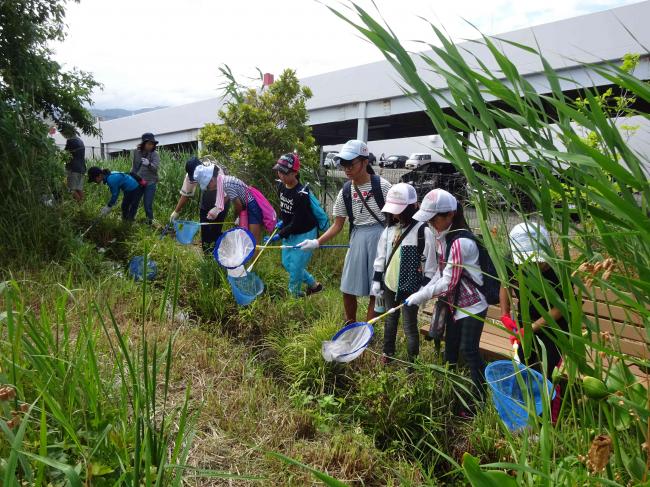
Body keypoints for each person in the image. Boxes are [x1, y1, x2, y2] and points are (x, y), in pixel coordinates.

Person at [405, 189, 488, 402]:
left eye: (435, 219)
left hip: (472, 306)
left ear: (451, 214)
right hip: (454, 305)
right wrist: (421, 292)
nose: (431, 224)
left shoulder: (461, 242)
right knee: (450, 350)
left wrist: (421, 297)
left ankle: (478, 399)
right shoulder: (442, 236)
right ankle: (450, 393)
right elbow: (441, 274)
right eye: (429, 219)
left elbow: (449, 283)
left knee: (468, 351)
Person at [298, 139, 391, 324]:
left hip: (381, 239)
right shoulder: (346, 191)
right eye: (343, 164)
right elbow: (337, 225)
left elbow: (398, 217)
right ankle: (350, 325)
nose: (346, 168)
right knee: (347, 287)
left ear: (365, 162)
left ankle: (366, 330)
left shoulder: (383, 186)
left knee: (376, 287)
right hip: (357, 238)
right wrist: (317, 242)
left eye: (351, 163)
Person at [372, 183, 436, 363]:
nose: (395, 214)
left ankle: (411, 363)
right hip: (389, 284)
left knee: (409, 326)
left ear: (411, 207)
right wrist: (377, 280)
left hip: (411, 290)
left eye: (399, 210)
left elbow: (430, 266)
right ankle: (388, 353)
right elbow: (381, 257)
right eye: (392, 210)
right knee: (390, 320)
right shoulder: (389, 230)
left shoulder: (423, 232)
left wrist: (422, 291)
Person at [500, 222, 566, 378]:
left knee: (548, 371)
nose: (532, 263)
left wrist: (531, 329)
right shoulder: (510, 260)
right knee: (522, 363)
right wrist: (505, 315)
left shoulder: (555, 269)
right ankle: (524, 399)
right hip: (527, 319)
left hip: (554, 328)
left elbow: (561, 307)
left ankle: (549, 399)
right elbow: (504, 284)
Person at [268, 153, 323, 297]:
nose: (281, 175)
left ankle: (294, 296)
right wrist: (282, 222)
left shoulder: (301, 194)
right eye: (279, 171)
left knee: (296, 266)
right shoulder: (281, 186)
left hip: (305, 232)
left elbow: (298, 223)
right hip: (290, 229)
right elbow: (285, 209)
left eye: (285, 173)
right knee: (287, 263)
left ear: (295, 173)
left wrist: (280, 235)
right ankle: (314, 285)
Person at [170, 157, 230, 254]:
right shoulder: (190, 175)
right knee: (205, 232)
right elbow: (186, 194)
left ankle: (218, 254)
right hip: (206, 198)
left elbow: (227, 193)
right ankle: (207, 256)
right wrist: (176, 211)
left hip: (222, 198)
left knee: (215, 231)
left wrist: (217, 209)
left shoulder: (216, 171)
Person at [131, 132, 160, 224]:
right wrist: (132, 177)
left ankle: (150, 222)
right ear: (144, 143)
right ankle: (130, 220)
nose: (151, 146)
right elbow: (134, 167)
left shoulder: (155, 154)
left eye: (153, 144)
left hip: (150, 182)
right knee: (134, 202)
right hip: (139, 181)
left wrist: (149, 164)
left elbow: (155, 169)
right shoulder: (136, 152)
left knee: (147, 204)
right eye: (149, 144)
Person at [62, 127, 86, 202]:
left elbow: (65, 154)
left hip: (73, 168)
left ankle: (79, 208)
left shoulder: (70, 141)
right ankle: (83, 207)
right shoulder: (80, 140)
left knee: (71, 190)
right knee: (79, 189)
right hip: (82, 168)